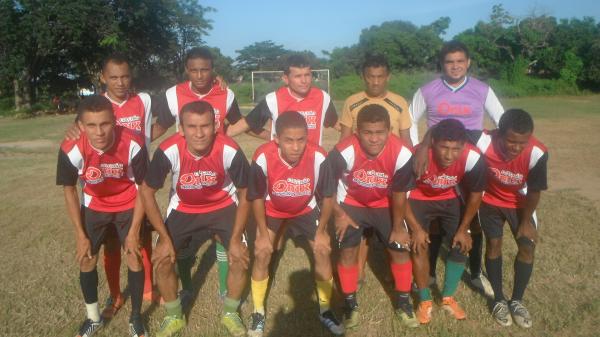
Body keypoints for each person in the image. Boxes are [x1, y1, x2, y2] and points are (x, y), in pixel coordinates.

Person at [141, 101, 250, 337]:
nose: (199, 133)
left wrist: (236, 238)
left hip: (223, 206)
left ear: (216, 126)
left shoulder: (229, 148)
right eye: (192, 126)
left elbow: (245, 193)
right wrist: (164, 237)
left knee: (239, 256)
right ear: (181, 128)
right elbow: (147, 192)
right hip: (184, 208)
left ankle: (230, 312)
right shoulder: (169, 150)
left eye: (205, 126)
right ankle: (174, 316)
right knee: (161, 258)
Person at [65, 54, 159, 318]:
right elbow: (78, 129)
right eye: (114, 77)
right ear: (103, 78)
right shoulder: (96, 105)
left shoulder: (144, 100)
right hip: (104, 183)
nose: (120, 82)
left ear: (132, 77)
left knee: (141, 240)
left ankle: (148, 289)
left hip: (137, 179)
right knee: (110, 247)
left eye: (125, 76)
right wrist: (72, 130)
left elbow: (166, 118)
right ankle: (116, 295)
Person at [409, 40, 505, 296]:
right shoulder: (429, 89)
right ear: (442, 64)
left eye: (460, 61)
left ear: (468, 63)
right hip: (438, 159)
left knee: (472, 219)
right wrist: (418, 149)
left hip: (469, 163)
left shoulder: (482, 90)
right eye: (449, 62)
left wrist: (487, 150)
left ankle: (474, 273)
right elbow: (410, 119)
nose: (455, 66)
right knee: (436, 219)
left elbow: (502, 120)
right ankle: (427, 274)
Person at [153, 46, 242, 300]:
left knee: (223, 237)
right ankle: (187, 287)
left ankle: (225, 288)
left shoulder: (226, 94)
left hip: (219, 176)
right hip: (187, 175)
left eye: (205, 70)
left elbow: (237, 124)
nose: (200, 75)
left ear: (213, 69)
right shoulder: (172, 95)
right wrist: (128, 141)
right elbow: (162, 125)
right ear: (186, 71)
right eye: (194, 70)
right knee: (181, 243)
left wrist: (273, 132)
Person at [57, 95, 148, 337]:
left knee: (134, 255)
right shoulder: (71, 148)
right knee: (87, 258)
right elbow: (69, 190)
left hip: (129, 202)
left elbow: (144, 189)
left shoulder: (134, 144)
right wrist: (79, 234)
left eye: (105, 124)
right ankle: (93, 318)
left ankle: (136, 318)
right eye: (91, 125)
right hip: (95, 205)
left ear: (115, 121)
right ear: (80, 126)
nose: (99, 132)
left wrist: (134, 230)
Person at [246, 112, 343, 337]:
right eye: (289, 140)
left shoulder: (319, 156)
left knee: (322, 250)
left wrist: (321, 232)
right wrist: (262, 233)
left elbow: (328, 197)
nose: (296, 146)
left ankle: (325, 309)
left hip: (305, 209)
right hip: (272, 208)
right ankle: (258, 311)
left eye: (301, 140)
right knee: (262, 252)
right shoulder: (262, 156)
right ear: (277, 139)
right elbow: (257, 198)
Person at [325, 104, 418, 329]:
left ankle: (403, 302)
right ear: (357, 131)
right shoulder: (343, 151)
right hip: (350, 203)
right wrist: (339, 215)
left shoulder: (404, 153)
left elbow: (398, 194)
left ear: (389, 130)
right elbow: (326, 189)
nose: (374, 139)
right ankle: (349, 303)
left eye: (379, 133)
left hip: (383, 203)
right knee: (347, 252)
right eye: (367, 133)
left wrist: (398, 226)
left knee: (399, 250)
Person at [467, 109, 548, 328]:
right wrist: (425, 146)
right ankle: (499, 300)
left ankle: (517, 300)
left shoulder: (537, 152)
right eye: (511, 141)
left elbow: (534, 191)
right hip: (490, 201)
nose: (517, 148)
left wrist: (525, 222)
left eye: (523, 142)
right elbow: (448, 133)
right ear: (499, 134)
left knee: (527, 246)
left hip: (520, 203)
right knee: (494, 245)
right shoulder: (484, 140)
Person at [338, 54, 413, 288]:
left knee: (391, 226)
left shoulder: (399, 102)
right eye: (371, 77)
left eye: (380, 77)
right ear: (364, 77)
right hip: (362, 173)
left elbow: (406, 140)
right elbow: (345, 138)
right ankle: (358, 269)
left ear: (387, 77)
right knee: (361, 229)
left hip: (389, 173)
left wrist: (408, 169)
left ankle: (394, 271)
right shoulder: (352, 101)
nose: (376, 82)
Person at [404, 119, 486, 324]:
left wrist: (464, 229)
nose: (449, 155)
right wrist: (415, 228)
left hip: (449, 197)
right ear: (433, 143)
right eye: (444, 147)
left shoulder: (473, 157)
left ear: (464, 146)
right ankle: (424, 300)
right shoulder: (415, 155)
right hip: (418, 197)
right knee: (418, 245)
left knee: (461, 244)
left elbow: (476, 195)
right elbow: (399, 196)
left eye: (455, 149)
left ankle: (447, 298)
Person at [227, 54, 338, 145]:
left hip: (313, 165)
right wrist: (271, 136)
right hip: (281, 166)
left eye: (307, 75)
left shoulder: (323, 97)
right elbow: (244, 125)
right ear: (285, 79)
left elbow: (337, 124)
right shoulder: (273, 100)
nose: (304, 81)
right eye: (298, 76)